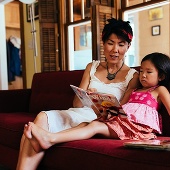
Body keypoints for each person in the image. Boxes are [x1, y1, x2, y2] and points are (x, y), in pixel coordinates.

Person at [17, 18, 141, 170]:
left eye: (121, 44)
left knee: (30, 134)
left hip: (98, 121)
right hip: (77, 113)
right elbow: (76, 104)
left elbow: (121, 113)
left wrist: (101, 105)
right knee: (41, 118)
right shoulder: (92, 67)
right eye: (110, 43)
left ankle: (44, 140)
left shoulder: (133, 76)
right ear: (103, 43)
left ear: (128, 46)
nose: (115, 49)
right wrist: (88, 96)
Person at [24, 53, 170, 163]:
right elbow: (121, 108)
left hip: (138, 128)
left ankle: (50, 139)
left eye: (149, 72)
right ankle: (49, 137)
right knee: (87, 123)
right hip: (122, 121)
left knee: (94, 126)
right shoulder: (133, 90)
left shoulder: (159, 90)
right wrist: (104, 109)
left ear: (161, 76)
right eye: (141, 70)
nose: (143, 75)